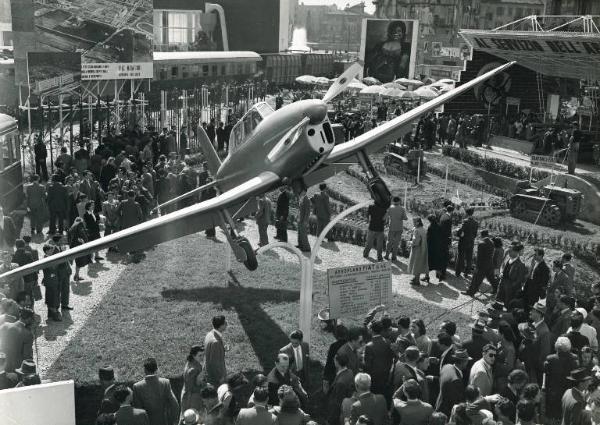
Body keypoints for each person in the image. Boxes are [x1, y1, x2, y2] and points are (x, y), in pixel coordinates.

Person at [132, 357, 179, 425]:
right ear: (156, 369)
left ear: (145, 370)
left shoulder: (137, 386)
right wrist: (173, 420)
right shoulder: (165, 382)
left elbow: (137, 409)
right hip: (164, 422)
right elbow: (175, 405)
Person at [544, 336, 579, 422]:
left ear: (556, 346)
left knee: (554, 417)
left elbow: (547, 378)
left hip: (554, 393)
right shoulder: (575, 359)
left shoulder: (550, 359)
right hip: (569, 392)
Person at [363, 319, 394, 395]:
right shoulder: (388, 342)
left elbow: (367, 366)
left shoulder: (369, 346)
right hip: (386, 377)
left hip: (374, 380)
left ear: (371, 330)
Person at [463, 230, 495, 297]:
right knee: (492, 279)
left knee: (475, 279)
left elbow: (479, 257)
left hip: (482, 265)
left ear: (481, 235)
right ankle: (497, 290)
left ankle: (471, 292)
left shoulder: (481, 243)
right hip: (490, 264)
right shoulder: (492, 242)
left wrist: (476, 267)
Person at [326, 352, 354, 425]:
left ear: (337, 362)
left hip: (337, 415)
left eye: (335, 360)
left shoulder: (340, 383)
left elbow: (337, 404)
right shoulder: (350, 372)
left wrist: (330, 420)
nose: (334, 361)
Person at [529, 301, 552, 384]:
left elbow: (545, 353)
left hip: (535, 368)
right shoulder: (533, 324)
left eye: (533, 311)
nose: (530, 312)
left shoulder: (544, 331)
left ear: (539, 314)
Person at [180, 345, 205, 419]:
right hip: (192, 398)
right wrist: (204, 384)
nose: (202, 357)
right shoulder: (193, 370)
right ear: (194, 356)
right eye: (200, 355)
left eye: (203, 355)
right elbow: (192, 387)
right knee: (193, 418)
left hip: (187, 395)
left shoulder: (191, 362)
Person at [203, 315, 227, 387]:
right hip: (215, 378)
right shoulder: (216, 342)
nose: (226, 324)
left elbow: (210, 351)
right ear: (221, 326)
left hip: (208, 372)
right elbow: (214, 363)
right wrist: (220, 378)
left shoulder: (210, 334)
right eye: (225, 323)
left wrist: (223, 348)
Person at [455, 208, 478, 277]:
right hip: (471, 241)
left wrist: (458, 233)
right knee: (469, 258)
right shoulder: (476, 222)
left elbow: (461, 231)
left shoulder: (465, 221)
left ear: (467, 213)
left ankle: (458, 272)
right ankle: (467, 272)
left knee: (461, 257)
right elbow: (475, 234)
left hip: (463, 241)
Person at [41, 244, 62, 321]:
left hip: (51, 280)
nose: (52, 251)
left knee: (52, 296)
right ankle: (54, 315)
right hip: (51, 281)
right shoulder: (46, 259)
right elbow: (52, 268)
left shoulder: (48, 257)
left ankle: (50, 313)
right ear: (46, 251)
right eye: (50, 250)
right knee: (52, 297)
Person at [384, 196, 407, 261]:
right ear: (399, 201)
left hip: (392, 227)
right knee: (396, 243)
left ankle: (386, 255)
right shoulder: (402, 209)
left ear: (393, 201)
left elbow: (385, 217)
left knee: (389, 242)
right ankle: (394, 257)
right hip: (399, 227)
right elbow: (405, 218)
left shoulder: (390, 208)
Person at [408, 217, 428, 285]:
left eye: (414, 222)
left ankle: (416, 281)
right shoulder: (423, 229)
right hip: (423, 248)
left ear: (418, 222)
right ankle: (416, 277)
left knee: (415, 264)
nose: (413, 223)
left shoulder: (417, 230)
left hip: (417, 249)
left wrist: (410, 242)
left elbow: (415, 242)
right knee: (419, 264)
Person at [426, 214, 445, 282]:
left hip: (431, 247)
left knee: (428, 262)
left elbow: (428, 238)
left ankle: (427, 276)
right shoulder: (439, 226)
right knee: (437, 262)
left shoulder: (430, 227)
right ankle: (440, 276)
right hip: (438, 247)